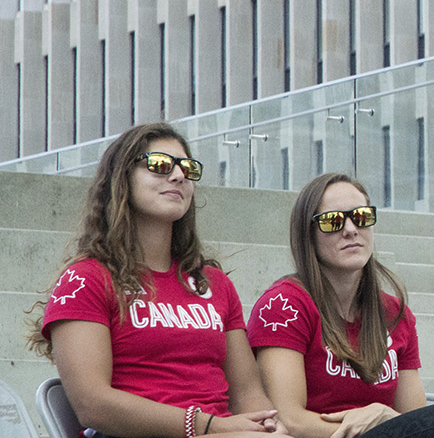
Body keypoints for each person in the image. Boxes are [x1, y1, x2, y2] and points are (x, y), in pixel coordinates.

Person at [28, 122, 286, 438]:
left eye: (187, 168)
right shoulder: (85, 279)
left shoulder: (215, 284)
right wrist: (209, 426)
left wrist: (268, 426)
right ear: (123, 178)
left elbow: (248, 394)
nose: (178, 175)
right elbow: (92, 404)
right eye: (160, 165)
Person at [247, 174, 434, 438]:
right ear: (307, 235)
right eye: (333, 221)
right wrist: (369, 423)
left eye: (361, 217)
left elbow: (417, 420)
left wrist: (383, 416)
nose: (350, 230)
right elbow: (289, 419)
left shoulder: (393, 313)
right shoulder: (283, 305)